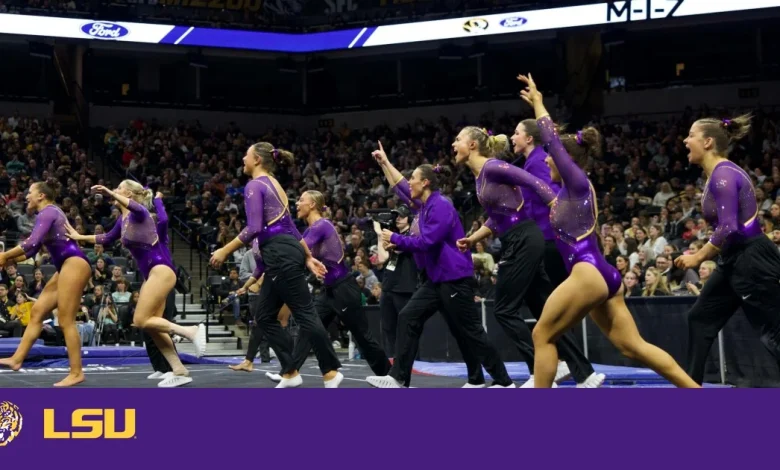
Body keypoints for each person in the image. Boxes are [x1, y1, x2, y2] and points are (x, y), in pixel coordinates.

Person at [513, 73, 699, 388]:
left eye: (551, 158)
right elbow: (532, 185)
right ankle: (694, 391)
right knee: (631, 346)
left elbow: (552, 141)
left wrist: (539, 103)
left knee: (542, 334)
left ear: (566, 161)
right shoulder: (563, 193)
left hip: (586, 272)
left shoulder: (577, 182)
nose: (547, 161)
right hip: (602, 274)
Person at [454, 125, 605, 388]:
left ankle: (541, 367)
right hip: (518, 238)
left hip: (523, 239)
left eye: (458, 139)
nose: (453, 145)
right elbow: (501, 213)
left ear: (473, 145)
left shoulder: (492, 167)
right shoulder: (481, 176)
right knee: (542, 308)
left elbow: (534, 182)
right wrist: (474, 237)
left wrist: (555, 207)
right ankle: (585, 374)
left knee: (503, 309)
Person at [366, 145, 514, 389]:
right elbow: (399, 184)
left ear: (424, 183)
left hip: (454, 278)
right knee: (409, 316)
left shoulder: (441, 205)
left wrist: (394, 238)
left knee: (470, 332)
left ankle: (503, 382)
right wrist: (384, 162)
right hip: (436, 280)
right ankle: (398, 377)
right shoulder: (423, 206)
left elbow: (427, 242)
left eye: (413, 178)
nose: (409, 183)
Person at [209, 142, 343, 389]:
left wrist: (224, 250)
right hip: (285, 252)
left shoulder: (255, 185)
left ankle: (330, 371)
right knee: (264, 316)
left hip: (279, 253)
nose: (243, 159)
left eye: (246, 155)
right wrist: (306, 256)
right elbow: (292, 227)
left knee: (305, 313)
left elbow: (254, 228)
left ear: (257, 160)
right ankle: (290, 371)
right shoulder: (275, 185)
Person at [66, 181, 206, 388]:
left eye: (118, 187)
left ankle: (191, 331)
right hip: (153, 273)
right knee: (153, 327)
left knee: (140, 320)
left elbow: (138, 206)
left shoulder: (140, 214)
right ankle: (180, 370)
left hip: (160, 269)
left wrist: (108, 191)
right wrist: (79, 237)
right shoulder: (122, 220)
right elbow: (105, 237)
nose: (116, 190)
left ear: (128, 193)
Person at [674, 113, 780, 384]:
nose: (685, 140)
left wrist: (698, 256)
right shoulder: (714, 176)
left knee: (774, 334)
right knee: (700, 319)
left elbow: (729, 227)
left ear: (708, 142)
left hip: (752, 259)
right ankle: (690, 387)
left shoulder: (722, 175)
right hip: (734, 258)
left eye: (691, 135)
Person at [265, 190, 391, 381]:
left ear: (312, 205)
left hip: (344, 289)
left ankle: (389, 376)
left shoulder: (321, 225)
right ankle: (289, 373)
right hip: (329, 290)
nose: (297, 204)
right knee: (308, 329)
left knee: (362, 336)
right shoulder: (310, 229)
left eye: (301, 200)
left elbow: (297, 251)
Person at [0, 182, 92, 387]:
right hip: (66, 266)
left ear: (41, 195)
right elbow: (32, 251)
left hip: (74, 264)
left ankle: (76, 372)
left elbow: (32, 242)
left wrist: (5, 255)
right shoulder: (48, 214)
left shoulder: (48, 212)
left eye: (30, 193)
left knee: (66, 320)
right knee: (38, 311)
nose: (26, 197)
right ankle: (17, 359)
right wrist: (7, 260)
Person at [228, 240, 289, 373]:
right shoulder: (249, 255)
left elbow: (270, 272)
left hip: (275, 292)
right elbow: (245, 274)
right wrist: (247, 286)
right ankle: (260, 359)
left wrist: (261, 280)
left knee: (269, 324)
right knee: (260, 324)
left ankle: (289, 358)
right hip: (256, 295)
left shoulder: (272, 252)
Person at [373, 204, 418, 358]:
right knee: (387, 326)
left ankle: (408, 358)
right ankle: (391, 359)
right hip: (389, 286)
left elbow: (399, 248)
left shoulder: (412, 235)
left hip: (405, 287)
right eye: (396, 216)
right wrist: (379, 235)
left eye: (401, 216)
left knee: (405, 326)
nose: (397, 219)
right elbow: (382, 258)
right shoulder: (393, 235)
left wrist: (384, 234)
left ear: (409, 219)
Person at [146, 192, 180, 380]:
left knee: (162, 326)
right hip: (150, 284)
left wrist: (157, 200)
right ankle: (159, 366)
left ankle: (172, 368)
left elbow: (164, 218)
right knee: (146, 327)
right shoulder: (143, 243)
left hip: (165, 284)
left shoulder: (161, 239)